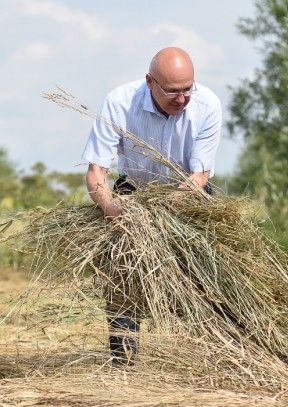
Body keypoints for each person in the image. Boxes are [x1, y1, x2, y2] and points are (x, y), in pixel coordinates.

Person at [81, 47, 222, 364]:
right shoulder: (119, 102)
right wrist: (110, 206)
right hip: (133, 192)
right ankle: (123, 362)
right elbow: (96, 173)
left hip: (188, 189)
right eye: (172, 91)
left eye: (188, 89)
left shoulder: (208, 104)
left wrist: (172, 203)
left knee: (209, 272)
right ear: (150, 82)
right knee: (124, 274)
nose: (182, 99)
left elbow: (200, 174)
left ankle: (212, 354)